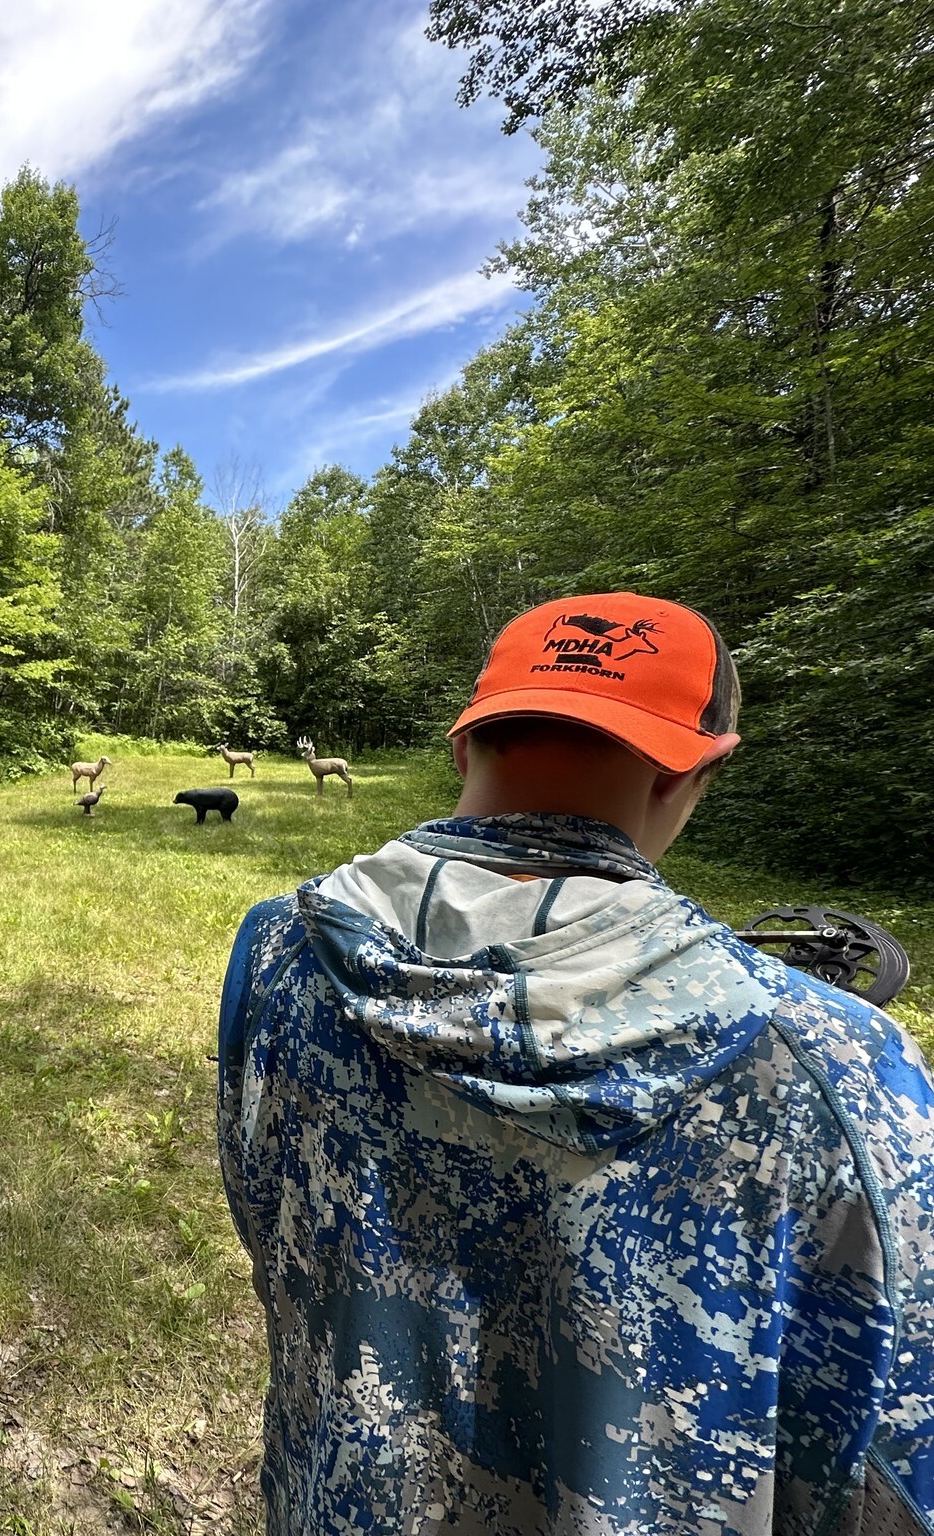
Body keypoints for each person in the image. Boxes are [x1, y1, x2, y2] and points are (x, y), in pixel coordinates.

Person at [216, 592, 934, 1531]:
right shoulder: (832, 1060)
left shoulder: (274, 953)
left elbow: (263, 1215)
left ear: (465, 742)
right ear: (700, 768)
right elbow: (889, 1446)